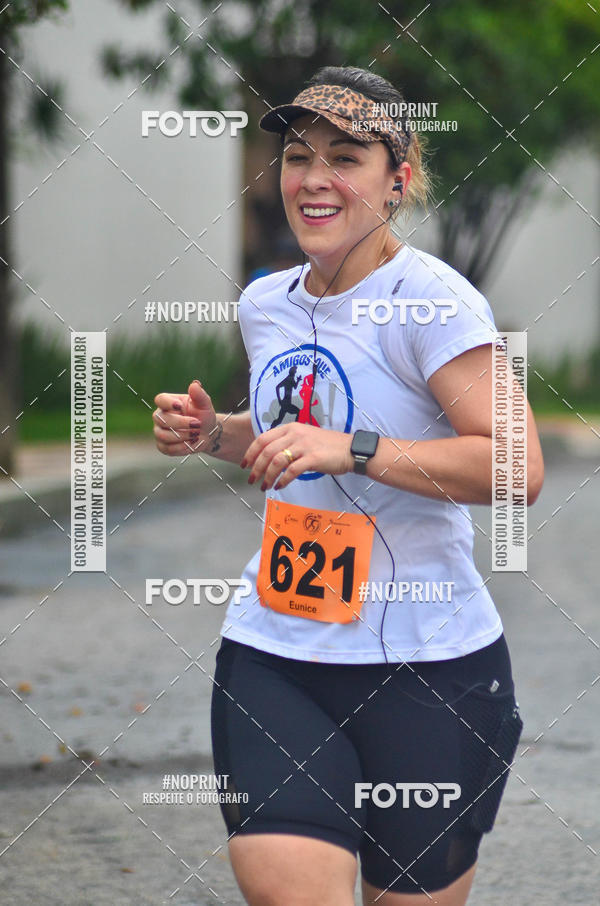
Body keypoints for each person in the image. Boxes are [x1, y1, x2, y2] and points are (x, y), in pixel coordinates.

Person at [153, 66, 544, 906]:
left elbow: (517, 466)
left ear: (397, 182)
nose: (315, 179)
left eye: (346, 156)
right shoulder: (267, 305)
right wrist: (214, 434)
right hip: (277, 656)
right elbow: (299, 434)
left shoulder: (432, 302)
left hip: (432, 670)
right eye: (299, 156)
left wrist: (353, 448)